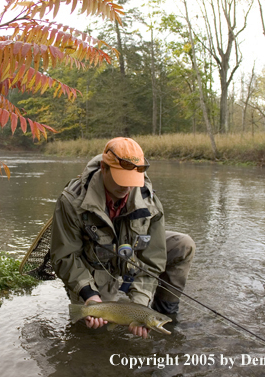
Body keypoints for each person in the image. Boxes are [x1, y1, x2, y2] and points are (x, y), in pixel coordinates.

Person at [50, 137, 195, 338]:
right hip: (94, 267)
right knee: (97, 328)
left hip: (131, 256)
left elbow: (153, 259)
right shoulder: (72, 201)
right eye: (121, 179)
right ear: (104, 168)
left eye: (132, 181)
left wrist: (140, 305)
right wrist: (89, 294)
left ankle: (164, 313)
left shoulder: (149, 201)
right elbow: (65, 256)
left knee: (183, 245)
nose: (127, 187)